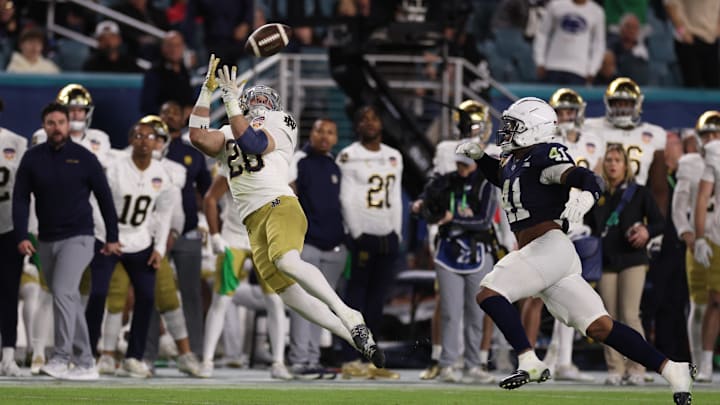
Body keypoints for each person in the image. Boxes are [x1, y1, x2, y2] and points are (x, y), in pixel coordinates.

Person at [456, 97, 695, 404]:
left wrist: (587, 195)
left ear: (534, 128)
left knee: (489, 293)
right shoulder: (514, 159)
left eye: (513, 126)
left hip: (548, 247)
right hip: (550, 256)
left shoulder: (545, 153)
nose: (506, 132)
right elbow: (504, 178)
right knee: (600, 326)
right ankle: (673, 369)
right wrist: (480, 157)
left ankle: (528, 360)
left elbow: (585, 177)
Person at [187, 55, 385, 371]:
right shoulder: (227, 131)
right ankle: (350, 334)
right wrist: (206, 93)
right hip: (252, 223)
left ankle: (348, 313)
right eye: (256, 97)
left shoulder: (282, 121)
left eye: (266, 98)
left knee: (287, 260)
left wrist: (232, 103)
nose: (261, 101)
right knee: (289, 295)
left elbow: (252, 143)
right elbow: (197, 137)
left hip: (280, 205)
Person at [12, 102, 121, 381]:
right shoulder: (32, 158)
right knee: (67, 298)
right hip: (46, 239)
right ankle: (86, 361)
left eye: (61, 122)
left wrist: (112, 237)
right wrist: (22, 235)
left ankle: (62, 356)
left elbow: (105, 197)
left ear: (68, 125)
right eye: (51, 123)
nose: (57, 127)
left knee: (62, 291)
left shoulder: (84, 157)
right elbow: (21, 199)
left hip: (80, 236)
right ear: (44, 126)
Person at [411, 153, 497, 384]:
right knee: (450, 311)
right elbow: (427, 197)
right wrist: (421, 203)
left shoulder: (486, 184)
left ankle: (473, 365)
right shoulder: (446, 180)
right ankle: (447, 364)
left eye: (466, 165)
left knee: (476, 313)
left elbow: (484, 221)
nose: (462, 168)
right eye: (459, 163)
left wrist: (452, 218)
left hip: (477, 252)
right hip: (447, 251)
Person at [585, 144, 664, 385]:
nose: (612, 164)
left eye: (617, 160)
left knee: (630, 315)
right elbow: (587, 225)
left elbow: (660, 223)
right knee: (608, 317)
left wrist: (646, 231)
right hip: (607, 261)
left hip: (633, 260)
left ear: (626, 165)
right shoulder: (598, 195)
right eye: (608, 159)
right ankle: (615, 368)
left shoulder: (639, 192)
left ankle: (637, 368)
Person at [101, 117, 174, 377]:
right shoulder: (115, 167)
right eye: (139, 136)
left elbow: (165, 213)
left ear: (157, 143)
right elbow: (100, 203)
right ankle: (93, 353)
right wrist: (108, 236)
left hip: (141, 241)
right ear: (131, 140)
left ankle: (133, 357)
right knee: (100, 294)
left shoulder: (161, 172)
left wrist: (159, 248)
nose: (145, 141)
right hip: (112, 240)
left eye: (150, 137)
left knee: (146, 297)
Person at [201, 170, 290, 380]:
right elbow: (210, 199)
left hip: (264, 240)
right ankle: (207, 360)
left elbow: (285, 200)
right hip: (233, 237)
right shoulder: (231, 166)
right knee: (221, 299)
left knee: (275, 301)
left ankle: (278, 362)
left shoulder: (274, 164)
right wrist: (214, 235)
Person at [336, 105, 402, 379]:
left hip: (387, 235)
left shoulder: (394, 156)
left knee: (377, 300)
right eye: (363, 119)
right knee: (355, 298)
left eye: (373, 117)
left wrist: (397, 231)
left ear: (381, 124)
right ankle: (350, 356)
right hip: (362, 236)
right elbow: (345, 197)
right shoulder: (349, 155)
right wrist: (356, 233)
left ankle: (371, 357)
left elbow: (396, 196)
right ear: (357, 126)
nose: (369, 123)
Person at [286, 118, 345, 379]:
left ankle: (312, 358)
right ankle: (299, 361)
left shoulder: (334, 165)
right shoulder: (298, 160)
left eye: (330, 132)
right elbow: (287, 195)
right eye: (320, 130)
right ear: (312, 133)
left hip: (333, 248)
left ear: (335, 137)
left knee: (321, 307)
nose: (324, 136)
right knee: (303, 304)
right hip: (306, 245)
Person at [162, 98, 212, 358]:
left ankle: (196, 352)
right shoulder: (149, 150)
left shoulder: (192, 152)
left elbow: (207, 190)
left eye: (174, 112)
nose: (170, 116)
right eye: (165, 112)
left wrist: (208, 223)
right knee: (153, 292)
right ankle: (146, 354)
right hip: (155, 233)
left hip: (188, 231)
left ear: (183, 119)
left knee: (192, 293)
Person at [584, 77, 669, 215]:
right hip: (597, 202)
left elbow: (659, 188)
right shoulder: (590, 127)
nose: (622, 109)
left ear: (638, 104)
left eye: (627, 104)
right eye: (617, 103)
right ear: (608, 103)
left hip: (634, 205)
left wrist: (657, 225)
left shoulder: (654, 134)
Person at [672, 127, 708, 380]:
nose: (712, 140)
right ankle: (699, 362)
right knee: (700, 304)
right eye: (708, 135)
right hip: (701, 239)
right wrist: (686, 231)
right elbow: (679, 203)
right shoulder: (690, 163)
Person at [692, 111, 720, 382]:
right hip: (719, 234)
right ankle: (707, 361)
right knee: (715, 301)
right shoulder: (715, 151)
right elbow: (702, 197)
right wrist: (699, 236)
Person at [0, 119, 27, 376]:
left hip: (8, 227)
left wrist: (26, 229)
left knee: (9, 292)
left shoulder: (16, 142)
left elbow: (24, 190)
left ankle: (8, 355)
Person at [32, 84, 112, 166]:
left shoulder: (100, 137)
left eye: (80, 110)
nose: (76, 114)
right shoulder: (45, 135)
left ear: (87, 113)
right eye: (71, 109)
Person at [533, 0, 605, 85]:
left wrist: (592, 70)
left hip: (579, 71)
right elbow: (543, 34)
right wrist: (540, 61)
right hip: (553, 66)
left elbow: (598, 43)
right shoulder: (556, 5)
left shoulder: (596, 11)